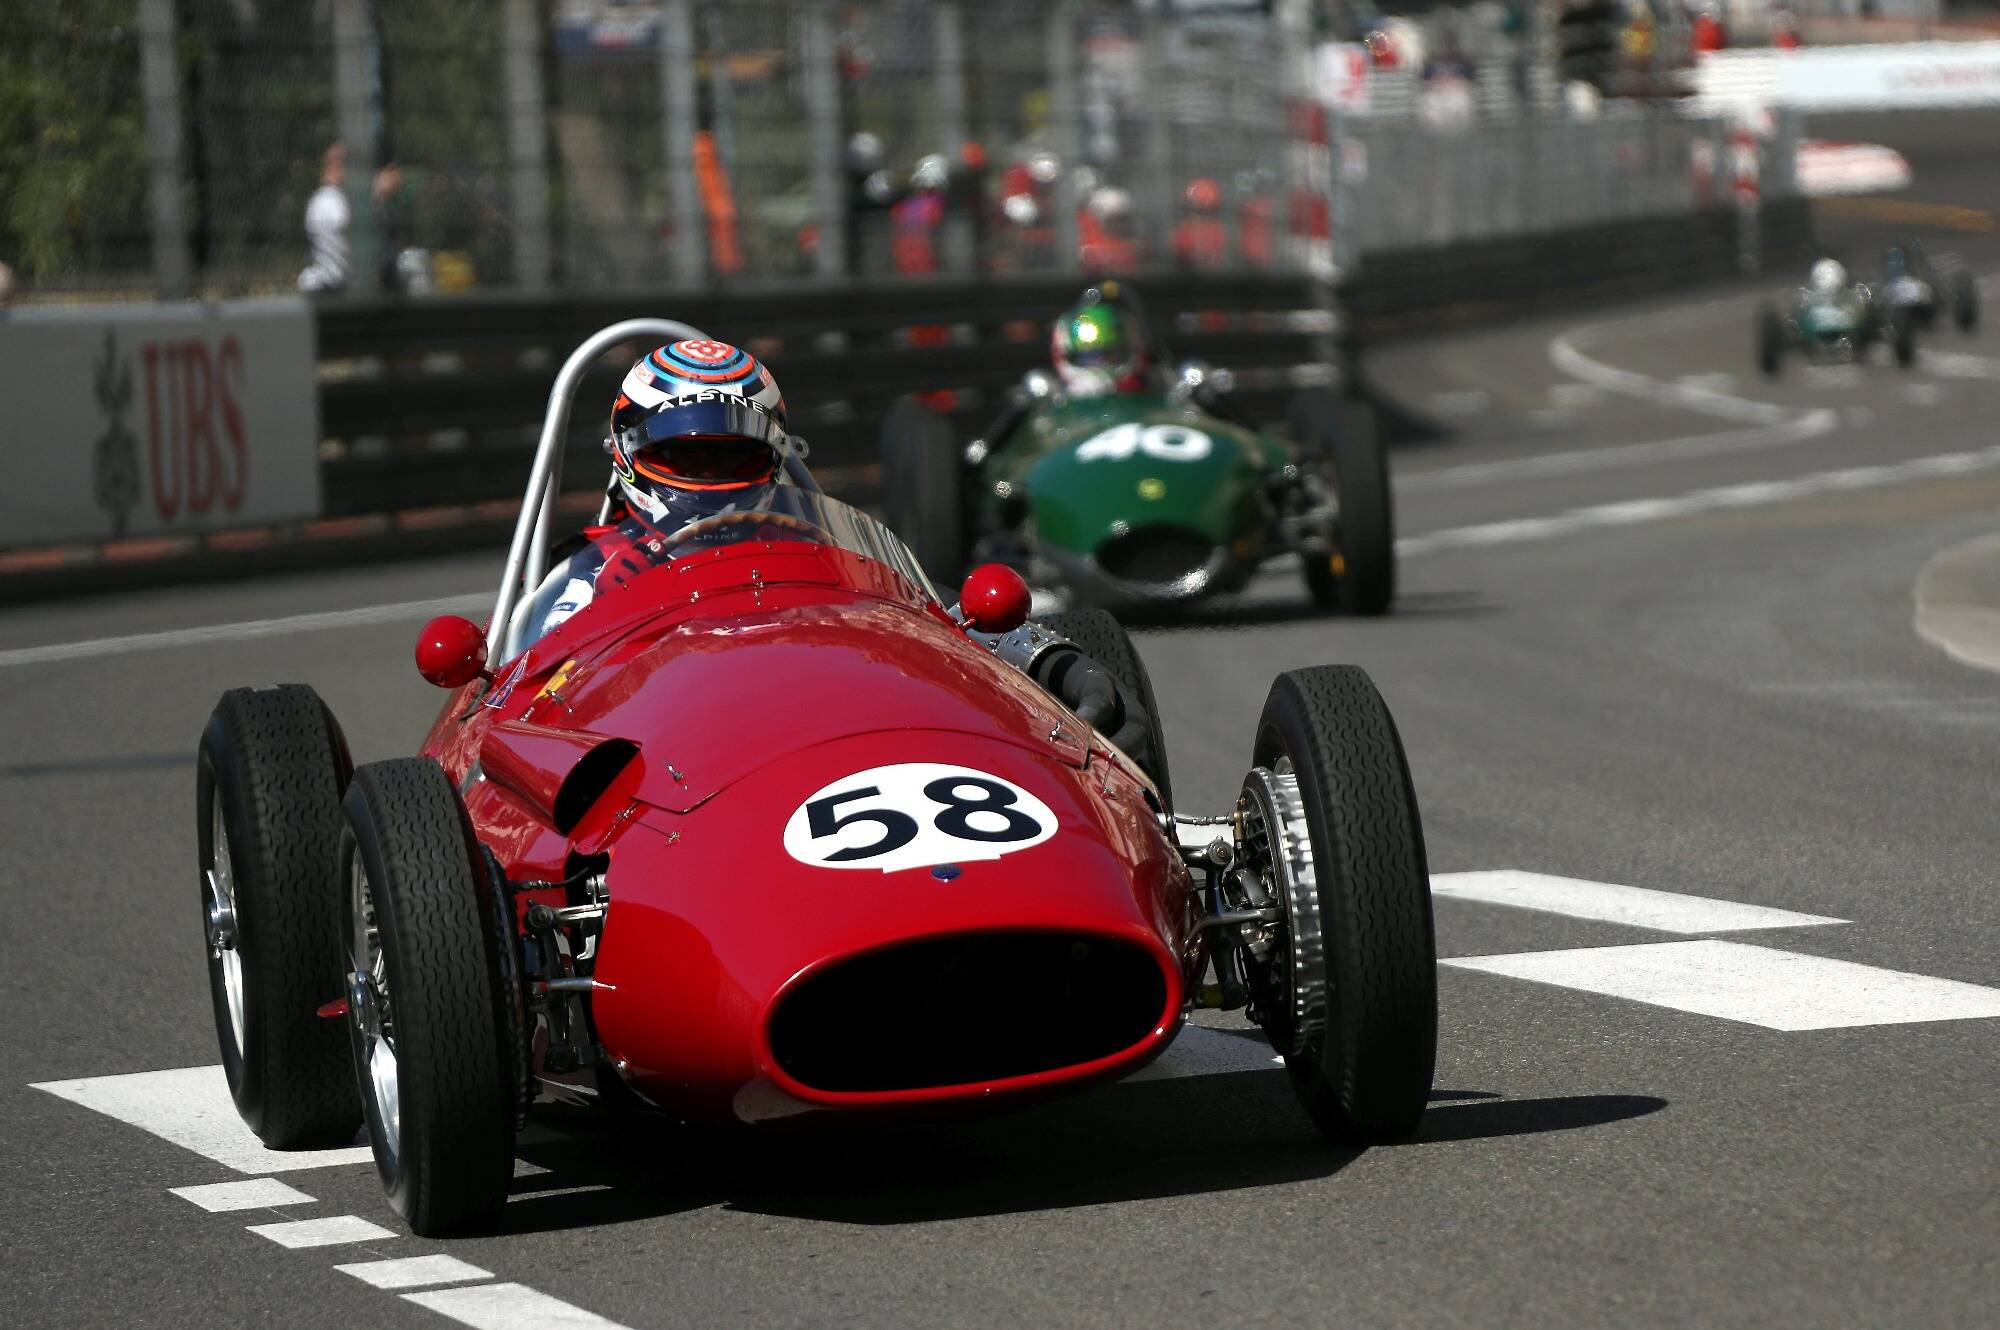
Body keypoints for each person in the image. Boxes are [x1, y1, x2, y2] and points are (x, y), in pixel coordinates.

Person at [514, 339, 1152, 759]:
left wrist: (1052, 657)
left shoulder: (832, 549)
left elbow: (942, 623)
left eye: (732, 456)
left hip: (846, 741)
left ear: (774, 457)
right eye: (682, 456)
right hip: (679, 769)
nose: (709, 477)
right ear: (628, 453)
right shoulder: (585, 577)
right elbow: (515, 707)